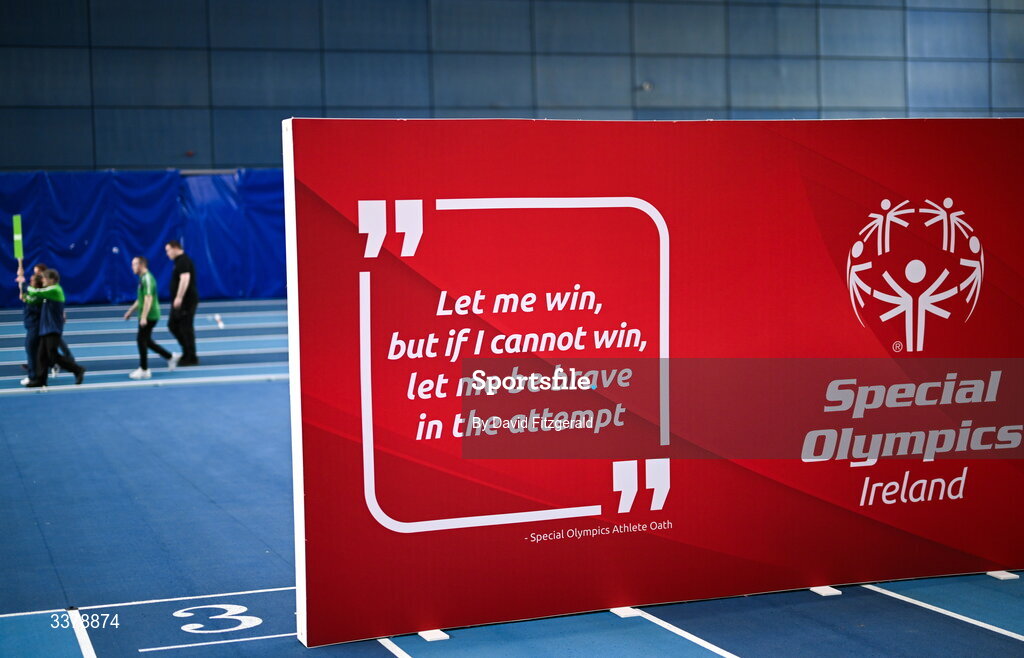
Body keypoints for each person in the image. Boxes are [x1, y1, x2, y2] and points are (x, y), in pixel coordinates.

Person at [25, 269, 85, 387]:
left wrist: (24, 284)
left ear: (52, 280)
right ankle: (40, 380)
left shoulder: (55, 289)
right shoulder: (48, 291)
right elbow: (31, 298)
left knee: (52, 355)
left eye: (45, 278)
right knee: (41, 355)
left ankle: (77, 369)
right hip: (45, 327)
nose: (42, 281)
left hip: (53, 328)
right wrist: (22, 292)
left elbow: (34, 292)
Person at [123, 256, 175, 380]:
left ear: (141, 265)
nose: (132, 267)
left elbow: (148, 298)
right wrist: (130, 311)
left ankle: (144, 369)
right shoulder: (142, 278)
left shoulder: (147, 278)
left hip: (150, 315)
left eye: (134, 264)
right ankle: (170, 357)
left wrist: (144, 317)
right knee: (147, 341)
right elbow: (140, 298)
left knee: (141, 340)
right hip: (147, 314)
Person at [165, 240, 199, 366]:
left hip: (186, 301)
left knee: (186, 328)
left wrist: (179, 297)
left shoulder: (183, 260)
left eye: (168, 250)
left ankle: (191, 356)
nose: (167, 254)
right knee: (173, 325)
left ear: (175, 248)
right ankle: (187, 351)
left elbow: (185, 279)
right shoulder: (178, 261)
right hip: (181, 301)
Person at [19, 272, 43, 386]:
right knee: (36, 352)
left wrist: (22, 284)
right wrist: (21, 280)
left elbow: (27, 295)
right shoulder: (33, 293)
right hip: (33, 326)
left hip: (35, 327)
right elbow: (25, 290)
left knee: (31, 352)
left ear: (36, 283)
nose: (30, 282)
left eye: (31, 280)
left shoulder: (36, 296)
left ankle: (32, 377)